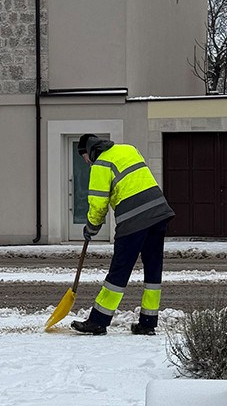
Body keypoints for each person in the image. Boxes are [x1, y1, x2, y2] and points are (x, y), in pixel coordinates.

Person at [71, 133, 174, 336]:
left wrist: (91, 228)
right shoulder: (129, 149)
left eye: (85, 157)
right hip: (159, 212)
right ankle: (147, 323)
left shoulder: (101, 164)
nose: (87, 162)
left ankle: (98, 321)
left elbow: (98, 204)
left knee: (120, 269)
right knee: (153, 268)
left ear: (89, 150)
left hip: (134, 219)